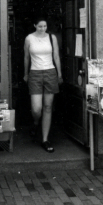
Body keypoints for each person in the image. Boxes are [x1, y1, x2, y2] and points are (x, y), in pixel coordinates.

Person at [23, 17, 63, 153]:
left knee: (47, 106)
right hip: (35, 73)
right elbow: (26, 57)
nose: (42, 29)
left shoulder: (52, 38)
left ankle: (45, 139)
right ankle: (35, 122)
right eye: (40, 26)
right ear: (34, 25)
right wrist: (26, 74)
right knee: (36, 108)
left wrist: (59, 74)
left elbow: (56, 56)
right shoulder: (29, 38)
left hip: (50, 72)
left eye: (45, 26)